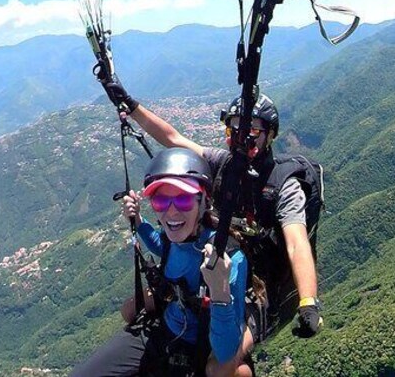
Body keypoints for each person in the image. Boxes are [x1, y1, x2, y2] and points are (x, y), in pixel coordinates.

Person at [101, 79, 323, 341]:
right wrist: (130, 104)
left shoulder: (284, 186)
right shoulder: (223, 164)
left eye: (251, 131)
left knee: (221, 365)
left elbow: (297, 243)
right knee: (130, 310)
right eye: (234, 131)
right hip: (211, 262)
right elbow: (173, 139)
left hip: (256, 285)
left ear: (270, 135)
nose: (241, 139)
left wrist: (308, 301)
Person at [71, 148, 255, 377]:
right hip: (166, 329)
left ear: (204, 201)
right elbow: (161, 245)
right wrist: (138, 220)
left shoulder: (228, 259)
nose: (171, 212)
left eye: (183, 199)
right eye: (160, 200)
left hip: (203, 343)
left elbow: (225, 351)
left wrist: (220, 292)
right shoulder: (174, 239)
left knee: (227, 371)